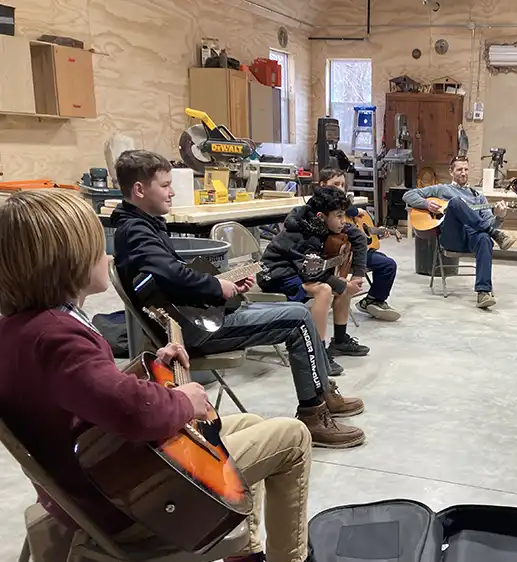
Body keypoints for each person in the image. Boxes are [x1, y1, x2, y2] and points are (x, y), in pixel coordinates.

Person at [0, 189, 320, 562]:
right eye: (99, 249)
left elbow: (91, 397)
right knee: (292, 438)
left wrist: (158, 372)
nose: (109, 258)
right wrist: (183, 400)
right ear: (68, 263)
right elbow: (132, 413)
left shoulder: (23, 330)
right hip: (124, 499)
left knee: (252, 426)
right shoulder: (59, 338)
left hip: (95, 480)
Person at [110, 150, 364, 449]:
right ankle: (313, 413)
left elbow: (171, 277)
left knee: (297, 312)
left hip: (198, 316)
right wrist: (216, 288)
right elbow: (170, 275)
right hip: (194, 330)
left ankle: (323, 394)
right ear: (140, 190)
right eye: (165, 185)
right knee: (298, 317)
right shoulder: (135, 231)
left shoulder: (143, 225)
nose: (172, 191)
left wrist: (223, 282)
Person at [259, 184, 371, 371]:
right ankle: (318, 353)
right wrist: (343, 287)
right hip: (277, 274)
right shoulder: (299, 233)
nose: (343, 221)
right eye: (339, 216)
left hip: (300, 271)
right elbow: (312, 272)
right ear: (321, 217)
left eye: (344, 215)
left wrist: (358, 275)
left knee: (342, 283)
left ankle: (340, 340)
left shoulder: (328, 223)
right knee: (325, 289)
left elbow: (358, 237)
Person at [403, 156, 516, 309]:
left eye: (466, 169)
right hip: (452, 237)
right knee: (456, 202)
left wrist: (499, 217)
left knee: (484, 238)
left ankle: (483, 293)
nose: (463, 173)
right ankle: (495, 234)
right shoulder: (442, 189)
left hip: (472, 238)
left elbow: (489, 221)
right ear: (451, 172)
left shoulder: (478, 196)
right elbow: (408, 196)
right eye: (459, 169)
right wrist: (426, 203)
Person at [317, 169, 401, 322]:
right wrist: (355, 210)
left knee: (384, 260)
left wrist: (376, 233)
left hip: (353, 250)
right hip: (339, 255)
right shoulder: (322, 204)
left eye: (342, 184)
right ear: (322, 185)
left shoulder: (344, 205)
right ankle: (373, 300)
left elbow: (360, 231)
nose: (340, 188)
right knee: (387, 264)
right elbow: (347, 210)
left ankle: (373, 299)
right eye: (335, 184)